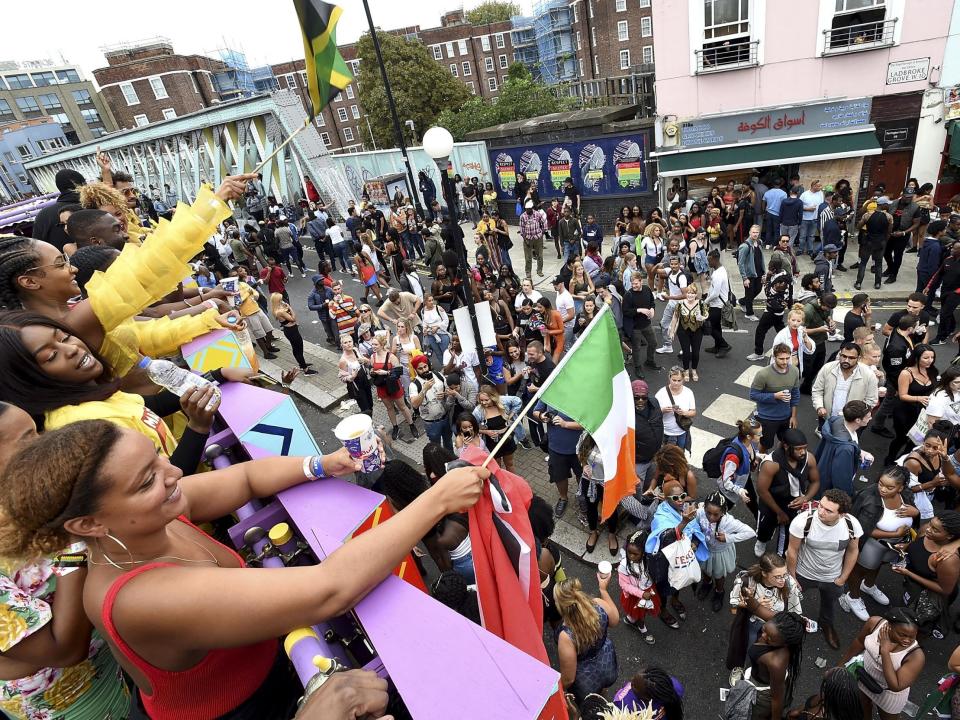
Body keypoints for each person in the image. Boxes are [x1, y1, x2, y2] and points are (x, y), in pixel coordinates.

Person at [0, 420, 486, 720]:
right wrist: (434, 500)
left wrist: (323, 464)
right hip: (247, 709)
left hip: (265, 668)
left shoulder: (144, 518)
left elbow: (245, 477)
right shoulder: (139, 596)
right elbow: (328, 589)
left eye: (157, 460)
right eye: (148, 479)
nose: (173, 474)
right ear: (90, 523)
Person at [786, 489, 863, 649]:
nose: (820, 512)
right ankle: (789, 627)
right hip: (803, 573)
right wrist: (792, 577)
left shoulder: (851, 524)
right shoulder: (803, 521)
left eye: (828, 510)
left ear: (842, 514)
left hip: (832, 577)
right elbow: (792, 551)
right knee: (790, 601)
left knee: (829, 604)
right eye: (820, 506)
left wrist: (843, 577)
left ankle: (826, 626)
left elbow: (853, 550)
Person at [840, 466, 918, 623]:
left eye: (890, 487)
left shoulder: (907, 495)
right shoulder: (868, 497)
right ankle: (853, 596)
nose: (883, 489)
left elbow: (915, 516)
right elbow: (859, 527)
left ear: (901, 487)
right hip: (871, 544)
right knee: (859, 570)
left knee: (879, 565)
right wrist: (894, 534)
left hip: (893, 546)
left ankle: (868, 586)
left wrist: (915, 513)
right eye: (881, 483)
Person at [728, 554, 804, 687]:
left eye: (785, 574)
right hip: (752, 623)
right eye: (777, 576)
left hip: (775, 628)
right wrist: (752, 603)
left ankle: (758, 673)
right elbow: (734, 602)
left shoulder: (789, 583)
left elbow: (795, 612)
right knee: (747, 647)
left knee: (767, 653)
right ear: (764, 573)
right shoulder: (746, 581)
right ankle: (740, 667)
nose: (782, 580)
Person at [840, 609, 925, 720]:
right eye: (902, 635)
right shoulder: (874, 623)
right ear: (889, 626)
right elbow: (859, 642)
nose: (907, 640)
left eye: (912, 636)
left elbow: (896, 686)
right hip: (863, 677)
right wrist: (841, 665)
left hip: (888, 695)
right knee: (861, 709)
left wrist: (885, 651)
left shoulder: (916, 656)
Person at [645, 479, 707, 628]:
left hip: (682, 560)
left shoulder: (687, 508)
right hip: (666, 563)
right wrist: (684, 522)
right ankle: (663, 609)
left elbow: (696, 531)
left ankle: (675, 600)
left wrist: (695, 544)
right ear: (666, 499)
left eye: (682, 496)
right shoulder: (661, 516)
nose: (680, 500)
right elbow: (664, 537)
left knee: (679, 581)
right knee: (664, 588)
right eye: (675, 498)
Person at [754, 429, 821, 558]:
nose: (802, 452)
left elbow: (815, 482)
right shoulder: (771, 464)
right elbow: (762, 491)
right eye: (798, 449)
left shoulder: (809, 459)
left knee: (789, 530)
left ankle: (780, 556)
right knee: (765, 526)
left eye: (805, 448)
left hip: (794, 502)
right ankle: (762, 541)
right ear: (786, 446)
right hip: (771, 501)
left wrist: (805, 498)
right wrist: (779, 512)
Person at [554, 577, 619, 704]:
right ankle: (603, 698)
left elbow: (569, 678)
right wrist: (603, 590)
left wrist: (560, 690)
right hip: (607, 663)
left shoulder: (566, 635)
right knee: (602, 691)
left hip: (587, 680)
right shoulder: (598, 604)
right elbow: (615, 620)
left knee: (589, 705)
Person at [696, 492, 756, 612]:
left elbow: (750, 532)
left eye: (716, 514)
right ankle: (707, 583)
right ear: (704, 508)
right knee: (705, 569)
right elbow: (696, 525)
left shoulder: (729, 522)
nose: (711, 517)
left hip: (719, 553)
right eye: (708, 513)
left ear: (723, 512)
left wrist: (728, 538)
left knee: (719, 574)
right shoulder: (700, 513)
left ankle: (719, 591)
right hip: (705, 549)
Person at [744, 612, 806, 720]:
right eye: (764, 629)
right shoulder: (777, 626)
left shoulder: (776, 663)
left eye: (770, 639)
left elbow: (776, 699)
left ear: (785, 643)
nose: (763, 636)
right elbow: (756, 607)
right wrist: (747, 597)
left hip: (762, 695)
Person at [884, 343, 936, 466]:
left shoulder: (932, 370)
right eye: (926, 358)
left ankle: (905, 460)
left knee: (916, 440)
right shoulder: (906, 373)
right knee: (901, 438)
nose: (930, 361)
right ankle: (890, 459)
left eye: (932, 357)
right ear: (917, 358)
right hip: (904, 412)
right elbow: (902, 395)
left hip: (921, 413)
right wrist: (919, 398)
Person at [533, 397, 583, 518]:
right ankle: (563, 498)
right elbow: (535, 411)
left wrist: (566, 424)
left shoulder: (582, 393)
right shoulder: (551, 390)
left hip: (579, 449)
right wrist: (541, 416)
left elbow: (590, 423)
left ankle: (583, 497)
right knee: (559, 475)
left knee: (582, 475)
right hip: (555, 447)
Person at [812, 342, 878, 425]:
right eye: (844, 356)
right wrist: (819, 407)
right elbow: (817, 390)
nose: (846, 360)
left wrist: (858, 416)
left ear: (859, 358)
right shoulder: (827, 368)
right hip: (827, 418)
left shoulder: (868, 374)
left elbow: (871, 400)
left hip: (853, 422)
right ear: (840, 355)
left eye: (851, 358)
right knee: (825, 437)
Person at [817, 400, 874, 496]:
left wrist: (860, 452)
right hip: (829, 487)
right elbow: (841, 479)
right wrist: (846, 496)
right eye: (868, 417)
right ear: (858, 420)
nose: (871, 418)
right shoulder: (845, 449)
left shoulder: (837, 421)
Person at [750, 344, 801, 452]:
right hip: (767, 418)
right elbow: (753, 395)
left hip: (786, 417)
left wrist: (793, 416)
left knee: (786, 443)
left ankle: (778, 460)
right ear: (774, 357)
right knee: (765, 445)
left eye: (788, 358)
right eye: (781, 359)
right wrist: (774, 396)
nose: (785, 362)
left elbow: (795, 395)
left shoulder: (794, 371)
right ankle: (760, 464)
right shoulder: (763, 374)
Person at [369, 332, 418, 441]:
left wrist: (385, 373)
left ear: (382, 345)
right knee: (389, 408)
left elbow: (399, 372)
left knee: (402, 407)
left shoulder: (391, 356)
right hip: (382, 387)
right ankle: (395, 426)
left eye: (376, 344)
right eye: (372, 344)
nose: (373, 347)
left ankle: (411, 424)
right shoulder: (373, 357)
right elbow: (372, 369)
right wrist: (372, 372)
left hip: (393, 386)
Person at [577, 433, 620, 556]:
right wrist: (584, 465)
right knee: (591, 506)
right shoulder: (585, 435)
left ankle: (612, 534)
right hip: (589, 480)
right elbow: (578, 452)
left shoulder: (614, 438)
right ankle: (593, 532)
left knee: (611, 508)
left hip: (608, 482)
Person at [616, 530, 659, 645]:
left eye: (635, 554)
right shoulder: (624, 566)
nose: (631, 556)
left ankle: (630, 619)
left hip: (648, 589)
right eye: (629, 552)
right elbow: (624, 585)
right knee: (640, 613)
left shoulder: (648, 560)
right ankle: (641, 628)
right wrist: (641, 594)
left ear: (644, 552)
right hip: (635, 596)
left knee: (640, 611)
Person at [748, 268, 792, 362]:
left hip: (771, 314)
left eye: (778, 284)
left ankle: (759, 353)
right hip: (779, 314)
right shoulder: (786, 285)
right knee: (783, 333)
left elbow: (768, 292)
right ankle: (792, 347)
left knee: (760, 331)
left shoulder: (778, 292)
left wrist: (767, 280)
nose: (776, 284)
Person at [472, 384, 518, 472]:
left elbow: (518, 401)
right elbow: (473, 428)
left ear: (493, 397)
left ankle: (512, 483)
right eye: (481, 400)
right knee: (497, 468)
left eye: (486, 400)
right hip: (492, 443)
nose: (483, 403)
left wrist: (511, 415)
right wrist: (486, 432)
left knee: (510, 464)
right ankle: (500, 485)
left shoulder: (502, 404)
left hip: (507, 440)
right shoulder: (478, 411)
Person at [622, 272, 660, 379]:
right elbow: (625, 312)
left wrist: (652, 310)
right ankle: (637, 367)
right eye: (632, 284)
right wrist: (639, 310)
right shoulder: (628, 295)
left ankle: (650, 360)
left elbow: (652, 302)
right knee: (637, 348)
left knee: (653, 343)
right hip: (635, 327)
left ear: (641, 281)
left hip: (647, 324)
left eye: (636, 283)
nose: (634, 286)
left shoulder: (647, 290)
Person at [269, 293, 317, 375]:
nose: (282, 300)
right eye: (280, 299)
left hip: (291, 330)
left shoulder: (278, 308)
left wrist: (286, 307)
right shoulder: (279, 312)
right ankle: (305, 369)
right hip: (291, 331)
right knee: (298, 348)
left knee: (297, 348)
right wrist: (290, 308)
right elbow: (293, 319)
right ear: (277, 301)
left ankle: (302, 364)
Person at [800, 293, 838, 395]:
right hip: (809, 343)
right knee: (806, 369)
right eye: (827, 307)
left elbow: (827, 316)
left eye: (830, 308)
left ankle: (806, 386)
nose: (828, 309)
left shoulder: (827, 307)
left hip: (820, 341)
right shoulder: (808, 311)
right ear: (820, 301)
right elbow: (800, 330)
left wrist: (830, 321)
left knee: (818, 365)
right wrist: (819, 329)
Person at [612, 666, 685, 718]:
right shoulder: (674, 687)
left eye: (633, 685)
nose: (631, 680)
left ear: (646, 698)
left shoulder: (623, 704)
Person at [855, 196, 893, 290]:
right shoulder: (889, 217)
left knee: (863, 263)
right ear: (883, 205)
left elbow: (858, 226)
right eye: (887, 204)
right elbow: (889, 232)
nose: (888, 205)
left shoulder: (867, 215)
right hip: (880, 242)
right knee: (878, 263)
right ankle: (877, 283)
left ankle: (859, 283)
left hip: (868, 240)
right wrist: (885, 241)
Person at [655, 367, 696, 451]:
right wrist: (663, 410)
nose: (676, 383)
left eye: (679, 380)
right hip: (665, 432)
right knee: (665, 457)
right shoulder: (661, 393)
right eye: (674, 380)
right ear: (669, 378)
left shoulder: (688, 393)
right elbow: (653, 413)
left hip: (682, 431)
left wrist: (684, 413)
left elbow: (693, 412)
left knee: (679, 455)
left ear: (683, 380)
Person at [673, 284, 708, 381]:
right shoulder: (680, 304)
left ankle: (694, 370)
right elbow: (675, 317)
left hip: (697, 331)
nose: (690, 295)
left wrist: (702, 317)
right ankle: (686, 370)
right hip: (683, 331)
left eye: (692, 293)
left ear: (696, 294)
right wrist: (672, 331)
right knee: (686, 353)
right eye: (688, 293)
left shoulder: (701, 303)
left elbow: (706, 315)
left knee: (696, 353)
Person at [770, 305, 816, 377]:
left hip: (796, 367)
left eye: (798, 321)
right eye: (793, 320)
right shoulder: (781, 335)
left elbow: (810, 350)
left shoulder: (801, 331)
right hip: (784, 368)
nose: (795, 323)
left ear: (802, 322)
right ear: (788, 320)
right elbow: (775, 354)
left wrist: (805, 339)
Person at [704, 249, 733, 358]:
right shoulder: (719, 270)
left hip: (717, 305)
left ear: (715, 260)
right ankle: (717, 346)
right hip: (717, 303)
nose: (708, 263)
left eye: (709, 260)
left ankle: (724, 345)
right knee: (716, 327)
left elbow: (715, 293)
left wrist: (705, 302)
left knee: (710, 327)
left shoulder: (718, 274)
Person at [338, 334, 374, 416]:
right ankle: (368, 426)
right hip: (357, 386)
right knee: (365, 409)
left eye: (350, 341)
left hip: (365, 380)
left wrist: (365, 360)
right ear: (342, 345)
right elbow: (342, 377)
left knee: (370, 404)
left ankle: (371, 425)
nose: (348, 344)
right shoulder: (343, 360)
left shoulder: (355, 350)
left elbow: (365, 363)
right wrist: (351, 376)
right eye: (345, 342)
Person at [736, 224, 764, 322]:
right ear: (749, 233)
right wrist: (745, 278)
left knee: (758, 289)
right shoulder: (745, 246)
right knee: (750, 293)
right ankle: (749, 313)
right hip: (749, 274)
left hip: (759, 273)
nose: (755, 234)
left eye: (757, 232)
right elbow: (741, 263)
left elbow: (760, 258)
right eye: (753, 232)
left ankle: (742, 301)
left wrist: (764, 272)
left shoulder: (759, 242)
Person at [518, 202, 546, 278]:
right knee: (528, 258)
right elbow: (522, 229)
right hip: (528, 238)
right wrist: (525, 239)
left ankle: (539, 270)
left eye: (529, 209)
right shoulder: (522, 216)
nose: (528, 211)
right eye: (526, 209)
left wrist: (542, 233)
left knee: (540, 255)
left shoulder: (537, 214)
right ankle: (528, 272)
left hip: (538, 237)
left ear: (532, 208)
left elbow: (544, 223)